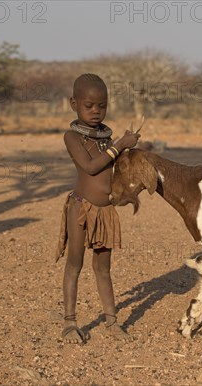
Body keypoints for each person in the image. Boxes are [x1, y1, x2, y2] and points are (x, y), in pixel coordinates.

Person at [56, 73, 140, 344]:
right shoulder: (72, 137)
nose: (95, 111)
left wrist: (128, 153)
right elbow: (91, 167)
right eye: (88, 105)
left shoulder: (106, 139)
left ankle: (111, 321)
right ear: (73, 104)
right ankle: (70, 323)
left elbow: (114, 171)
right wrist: (119, 146)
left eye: (101, 106)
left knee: (103, 268)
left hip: (105, 211)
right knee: (74, 264)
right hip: (81, 209)